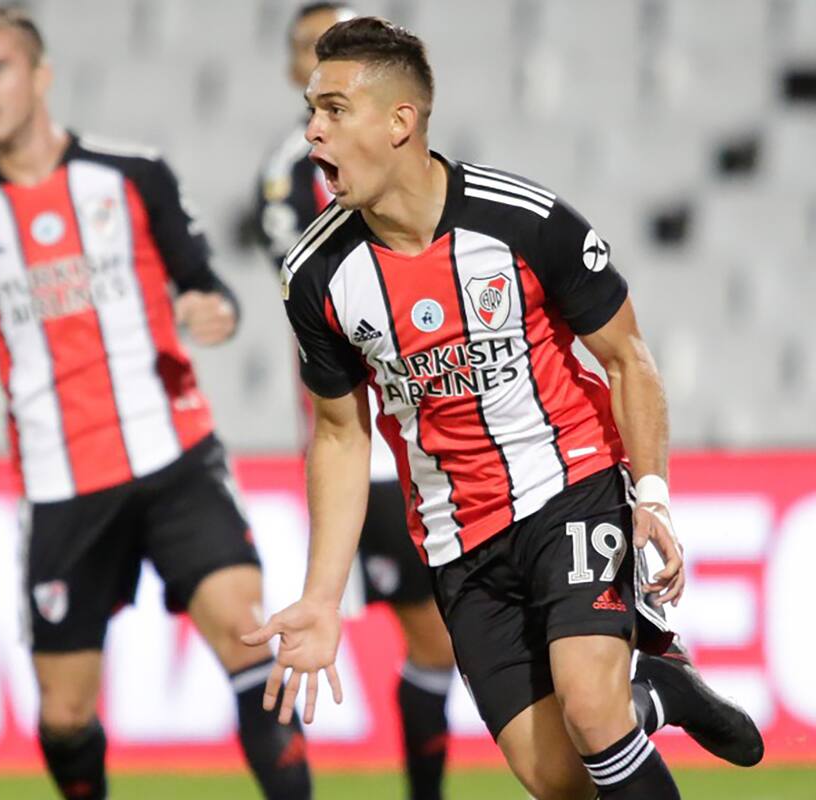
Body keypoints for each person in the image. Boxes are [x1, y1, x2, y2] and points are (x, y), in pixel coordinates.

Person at [244, 16, 763, 800]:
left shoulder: (523, 220)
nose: (312, 129)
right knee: (556, 778)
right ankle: (656, 693)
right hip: (458, 536)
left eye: (334, 110)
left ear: (399, 122)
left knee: (592, 710)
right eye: (312, 109)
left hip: (570, 481)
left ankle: (626, 697)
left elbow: (628, 359)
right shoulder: (316, 273)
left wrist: (651, 493)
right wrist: (321, 599)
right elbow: (342, 437)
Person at [0, 8, 311, 799]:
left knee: (248, 635)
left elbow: (206, 283)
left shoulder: (134, 176)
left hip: (174, 456)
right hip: (64, 488)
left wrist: (215, 311)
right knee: (64, 715)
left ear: (40, 74)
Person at [255, 5, 454, 798]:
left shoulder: (412, 166)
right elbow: (328, 297)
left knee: (448, 638)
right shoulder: (287, 175)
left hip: (444, 436)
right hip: (369, 448)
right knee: (434, 636)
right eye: (307, 54)